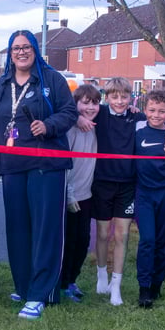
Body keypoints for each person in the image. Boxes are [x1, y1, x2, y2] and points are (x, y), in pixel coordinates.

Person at [0, 29, 77, 320]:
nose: (21, 52)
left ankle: (41, 294)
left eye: (27, 47)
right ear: (10, 53)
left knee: (45, 230)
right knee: (17, 229)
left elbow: (70, 112)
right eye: (16, 48)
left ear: (35, 50)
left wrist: (49, 125)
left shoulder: (52, 79)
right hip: (13, 165)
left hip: (46, 164)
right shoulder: (2, 84)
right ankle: (25, 286)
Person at [78, 77, 165, 305]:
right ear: (107, 97)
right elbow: (80, 111)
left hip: (127, 185)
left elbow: (161, 120)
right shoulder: (101, 113)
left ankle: (117, 286)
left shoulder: (138, 117)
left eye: (124, 96)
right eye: (114, 96)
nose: (119, 101)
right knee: (103, 234)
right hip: (102, 182)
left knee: (122, 235)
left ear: (131, 97)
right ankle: (101, 275)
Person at [133, 89, 165, 308]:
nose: (156, 115)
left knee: (163, 242)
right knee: (148, 240)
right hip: (143, 193)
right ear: (145, 110)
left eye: (162, 111)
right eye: (152, 110)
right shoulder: (137, 128)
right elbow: (123, 112)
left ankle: (156, 285)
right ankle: (144, 288)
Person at [60, 84, 100, 302]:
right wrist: (69, 194)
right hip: (70, 196)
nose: (90, 107)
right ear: (75, 104)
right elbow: (65, 165)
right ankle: (62, 283)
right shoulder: (71, 129)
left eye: (94, 102)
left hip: (86, 195)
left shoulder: (95, 125)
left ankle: (72, 280)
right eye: (85, 102)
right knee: (69, 242)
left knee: (83, 241)